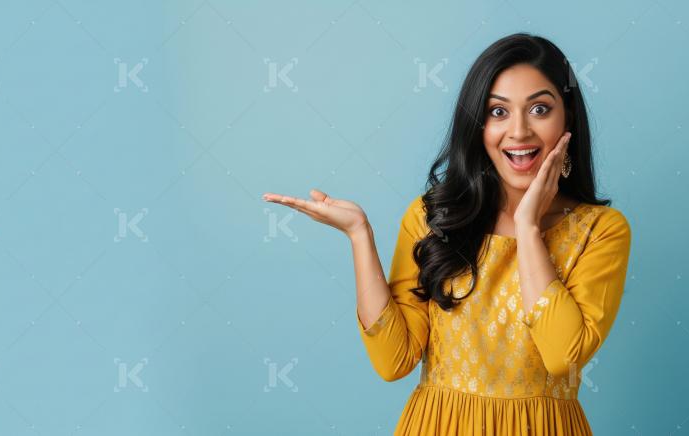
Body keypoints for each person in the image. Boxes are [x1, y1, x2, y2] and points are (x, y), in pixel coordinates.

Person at [262, 32, 631, 435]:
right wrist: (359, 236)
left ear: (568, 118)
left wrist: (527, 227)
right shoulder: (432, 218)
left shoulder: (600, 231)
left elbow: (562, 354)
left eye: (540, 108)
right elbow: (394, 362)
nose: (519, 131)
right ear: (477, 124)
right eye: (497, 112)